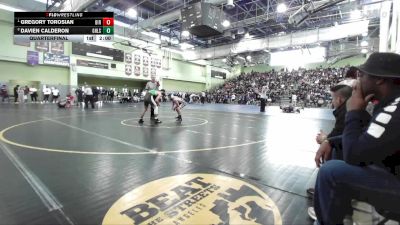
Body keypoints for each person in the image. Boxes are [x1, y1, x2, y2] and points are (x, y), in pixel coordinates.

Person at [313, 52, 400, 225]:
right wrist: (330, 141)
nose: (358, 80)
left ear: (380, 79)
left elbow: (354, 154)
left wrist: (353, 110)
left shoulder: (394, 109)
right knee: (338, 149)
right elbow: (367, 138)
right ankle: (341, 212)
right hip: (393, 171)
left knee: (330, 172)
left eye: (362, 75)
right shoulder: (389, 103)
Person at [306, 79, 355, 202]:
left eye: (333, 99)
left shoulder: (345, 113)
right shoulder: (346, 111)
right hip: (353, 150)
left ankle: (330, 194)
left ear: (339, 99)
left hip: (352, 155)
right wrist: (327, 139)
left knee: (331, 150)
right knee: (329, 145)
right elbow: (340, 134)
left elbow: (342, 137)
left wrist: (325, 139)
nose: (332, 102)